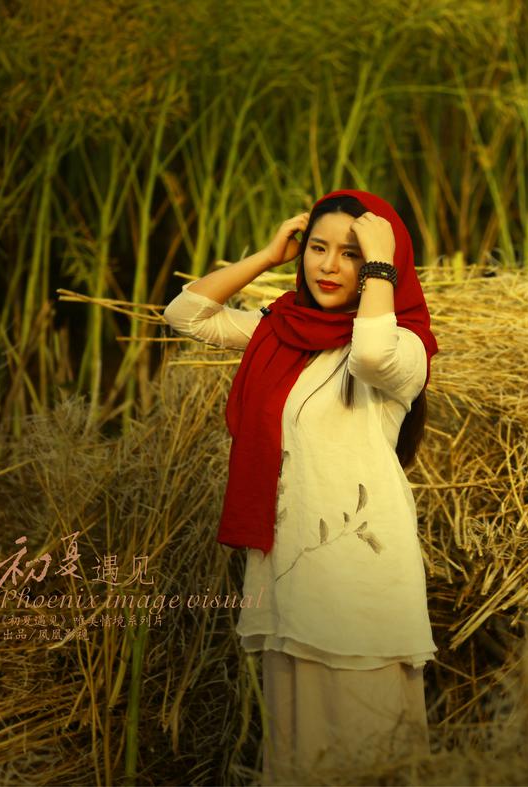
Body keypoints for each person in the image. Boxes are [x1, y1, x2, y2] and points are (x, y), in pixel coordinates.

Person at [162, 189, 439, 785]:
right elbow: (185, 314)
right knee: (298, 747)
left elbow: (369, 356)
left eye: (351, 253)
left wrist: (382, 264)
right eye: (318, 248)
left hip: (359, 575)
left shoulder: (405, 348)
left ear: (382, 263)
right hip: (289, 567)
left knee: (367, 749)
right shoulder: (281, 331)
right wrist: (268, 256)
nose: (329, 266)